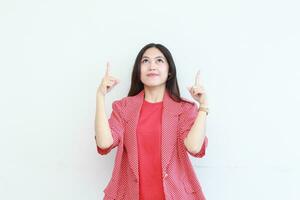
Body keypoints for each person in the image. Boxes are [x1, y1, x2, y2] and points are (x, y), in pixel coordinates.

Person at [94, 43, 209, 200]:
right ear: (138, 72)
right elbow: (104, 143)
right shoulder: (124, 107)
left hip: (175, 195)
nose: (152, 66)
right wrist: (100, 96)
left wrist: (203, 106)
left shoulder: (184, 109)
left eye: (159, 61)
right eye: (145, 61)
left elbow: (194, 147)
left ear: (169, 72)